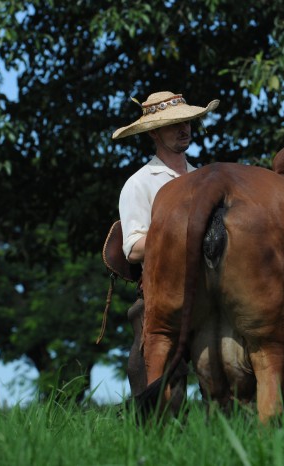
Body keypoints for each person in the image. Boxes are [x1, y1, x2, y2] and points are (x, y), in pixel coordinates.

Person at [112, 91, 219, 395]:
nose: (184, 129)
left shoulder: (205, 178)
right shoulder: (140, 183)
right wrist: (182, 235)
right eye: (173, 124)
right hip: (163, 293)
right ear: (155, 133)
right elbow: (132, 249)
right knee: (161, 390)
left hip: (212, 288)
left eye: (186, 122)